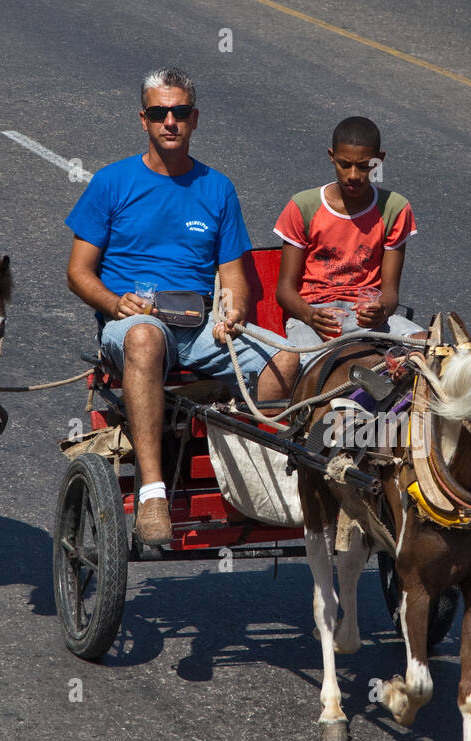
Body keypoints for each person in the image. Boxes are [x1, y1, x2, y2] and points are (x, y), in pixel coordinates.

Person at [66, 68, 299, 546]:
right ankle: (154, 494)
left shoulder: (218, 189)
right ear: (144, 119)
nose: (169, 121)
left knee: (287, 360)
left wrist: (232, 311)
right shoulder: (112, 183)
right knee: (147, 336)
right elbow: (78, 272)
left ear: (194, 119)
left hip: (200, 324)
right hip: (133, 325)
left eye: (179, 112)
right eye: (159, 113)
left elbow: (234, 275)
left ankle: (253, 473)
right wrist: (116, 303)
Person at [273, 116, 424, 347]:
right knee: (307, 369)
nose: (353, 175)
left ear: (379, 160)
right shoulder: (303, 206)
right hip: (314, 315)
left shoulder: (395, 208)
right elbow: (284, 290)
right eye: (344, 164)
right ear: (331, 157)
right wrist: (310, 316)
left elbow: (391, 293)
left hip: (367, 317)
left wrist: (381, 310)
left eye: (364, 166)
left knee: (430, 348)